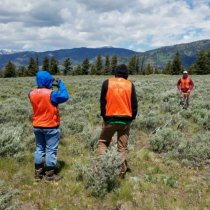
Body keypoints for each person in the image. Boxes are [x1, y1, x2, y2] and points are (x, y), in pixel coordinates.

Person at [98, 64, 138, 178]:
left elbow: (102, 101)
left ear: (115, 73)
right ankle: (122, 173)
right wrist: (132, 118)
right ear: (126, 74)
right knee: (122, 147)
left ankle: (103, 168)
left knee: (103, 142)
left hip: (110, 119)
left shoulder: (107, 82)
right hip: (125, 121)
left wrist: (104, 117)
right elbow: (134, 104)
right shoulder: (130, 85)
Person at [29, 70, 69, 181]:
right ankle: (50, 175)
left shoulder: (31, 93)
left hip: (37, 125)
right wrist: (60, 84)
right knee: (51, 150)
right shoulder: (52, 94)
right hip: (51, 126)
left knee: (39, 148)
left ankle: (38, 174)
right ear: (48, 81)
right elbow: (65, 96)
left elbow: (37, 92)